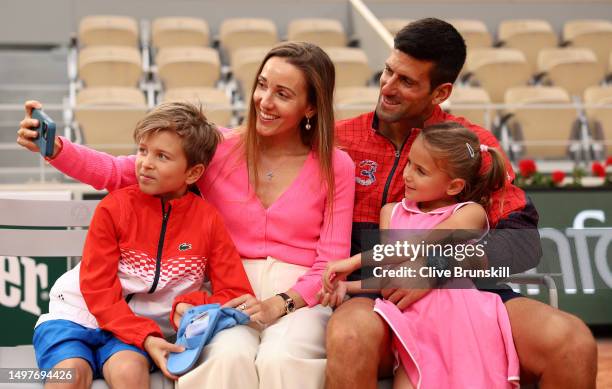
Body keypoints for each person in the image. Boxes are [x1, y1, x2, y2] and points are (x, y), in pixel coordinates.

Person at [18, 42, 355, 389]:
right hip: (224, 289)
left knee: (281, 359)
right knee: (226, 357)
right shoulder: (219, 148)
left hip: (296, 294)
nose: (264, 101)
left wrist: (280, 304)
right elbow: (121, 173)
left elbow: (329, 263)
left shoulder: (336, 166)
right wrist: (57, 149)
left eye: (282, 94)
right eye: (262, 85)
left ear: (311, 106)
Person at [327, 18, 597, 389]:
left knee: (573, 342)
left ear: (440, 93)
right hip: (376, 292)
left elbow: (522, 243)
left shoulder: (473, 146)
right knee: (349, 338)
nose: (387, 88)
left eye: (406, 82)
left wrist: (435, 268)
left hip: (466, 289)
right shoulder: (339, 139)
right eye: (388, 71)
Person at [30, 101, 254, 389]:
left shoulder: (208, 220)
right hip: (74, 316)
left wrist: (188, 304)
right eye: (143, 150)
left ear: (193, 173)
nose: (145, 163)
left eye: (161, 156)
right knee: (69, 375)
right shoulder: (114, 208)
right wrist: (147, 337)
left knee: (130, 373)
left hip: (136, 333)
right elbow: (97, 290)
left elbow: (236, 293)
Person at [323, 122, 520, 388]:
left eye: (421, 170)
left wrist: (357, 260)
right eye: (408, 164)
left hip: (463, 327)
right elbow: (391, 279)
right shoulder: (390, 213)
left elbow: (424, 243)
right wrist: (346, 285)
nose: (407, 175)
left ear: (454, 186)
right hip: (410, 328)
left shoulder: (469, 213)